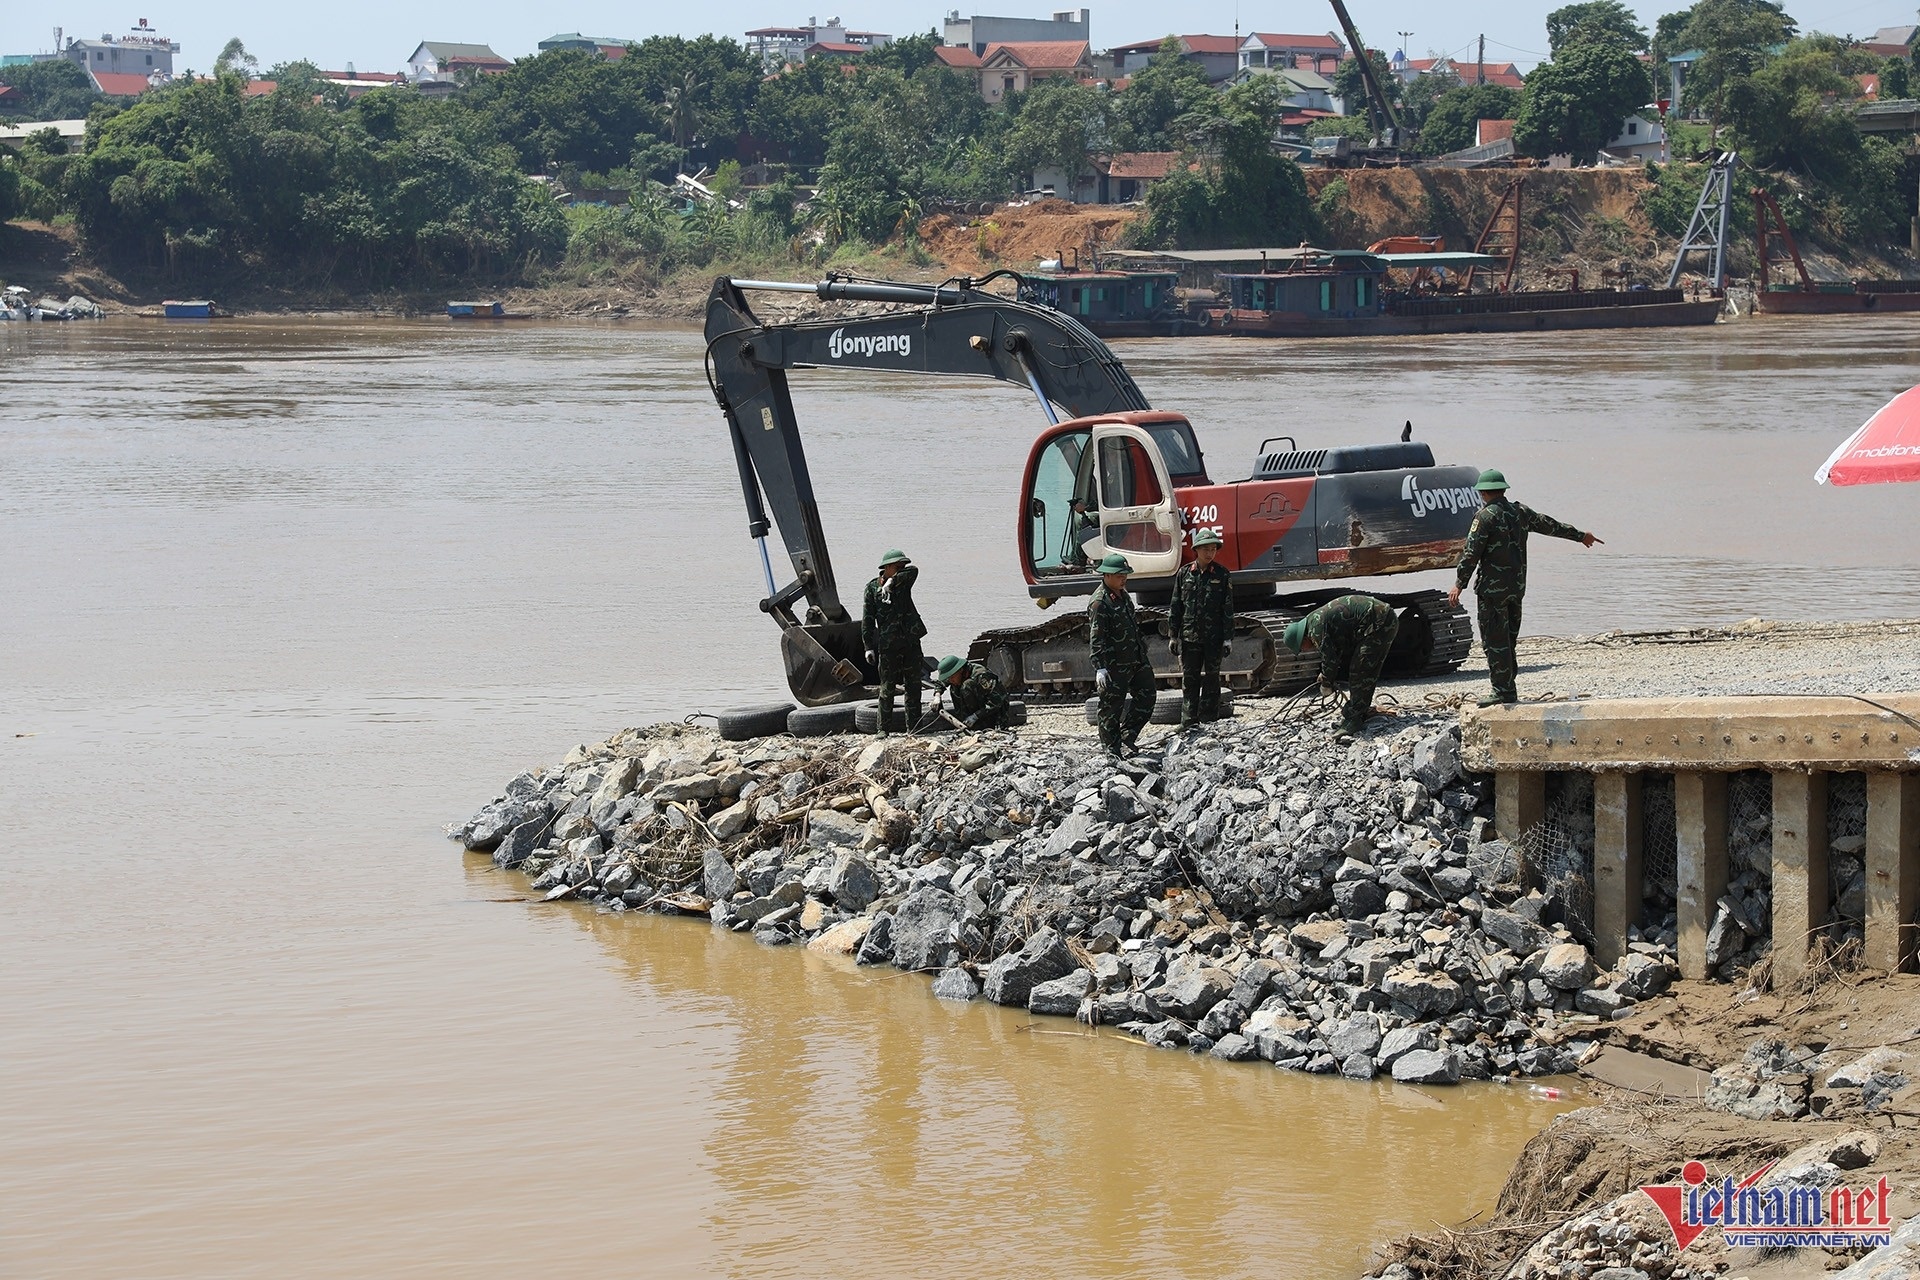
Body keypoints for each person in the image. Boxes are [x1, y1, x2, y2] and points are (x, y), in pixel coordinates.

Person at [1447, 469, 1602, 707]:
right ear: (1503, 489)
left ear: (1483, 493)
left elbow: (1471, 554)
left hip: (1492, 592)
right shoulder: (1520, 512)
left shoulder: (1484, 517)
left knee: (1494, 641)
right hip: (1516, 588)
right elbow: (1550, 525)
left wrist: (1459, 584)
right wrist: (1580, 536)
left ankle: (1503, 691)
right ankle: (1507, 688)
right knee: (1509, 639)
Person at [1283, 595, 1400, 735]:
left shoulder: (1316, 630)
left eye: (1302, 648)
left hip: (1381, 623)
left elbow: (1330, 660)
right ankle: (1356, 712)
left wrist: (1326, 682)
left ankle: (1354, 719)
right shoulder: (1313, 621)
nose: (1305, 650)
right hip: (1378, 620)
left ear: (1303, 639)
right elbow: (1336, 651)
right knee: (1358, 667)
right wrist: (1326, 675)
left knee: (1361, 671)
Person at [1087, 552, 1156, 755]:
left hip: (1135, 659)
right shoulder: (1100, 602)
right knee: (1111, 707)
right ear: (1107, 576)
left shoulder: (1123, 595)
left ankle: (1127, 737)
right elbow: (1096, 637)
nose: (1123, 578)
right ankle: (1111, 750)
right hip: (1114, 665)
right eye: (1119, 575)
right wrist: (1099, 667)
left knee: (1147, 695)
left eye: (1125, 574)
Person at [1167, 527, 1234, 729]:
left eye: (1213, 549)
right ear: (1197, 550)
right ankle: (1188, 720)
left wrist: (1228, 638)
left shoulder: (1222, 575)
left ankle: (1209, 719)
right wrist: (1173, 635)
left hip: (1213, 638)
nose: (1209, 553)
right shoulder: (1185, 574)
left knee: (1212, 680)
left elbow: (1228, 608)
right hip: (1190, 638)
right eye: (1206, 549)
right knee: (1190, 680)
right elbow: (1176, 605)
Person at [861, 548, 927, 736]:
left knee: (913, 685)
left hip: (910, 641)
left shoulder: (903, 581)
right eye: (897, 566)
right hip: (888, 645)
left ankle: (914, 728)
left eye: (902, 566)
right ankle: (883, 729)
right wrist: (868, 647)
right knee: (887, 688)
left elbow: (913, 570)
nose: (901, 569)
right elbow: (867, 619)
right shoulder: (872, 588)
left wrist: (892, 581)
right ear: (887, 567)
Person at [934, 654, 1009, 730]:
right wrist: (937, 695)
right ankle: (965, 722)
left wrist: (975, 716)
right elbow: (941, 682)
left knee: (967, 685)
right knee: (954, 687)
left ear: (960, 670)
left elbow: (996, 702)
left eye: (952, 677)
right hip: (972, 716)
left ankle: (981, 725)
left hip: (994, 714)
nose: (950, 680)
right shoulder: (956, 675)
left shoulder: (981, 675)